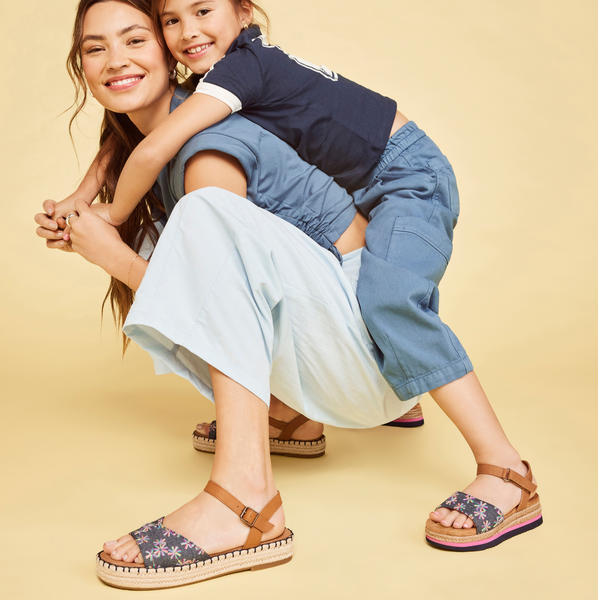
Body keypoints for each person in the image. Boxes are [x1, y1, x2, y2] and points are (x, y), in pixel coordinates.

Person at [37, 0, 541, 588]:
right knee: (172, 234)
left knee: (205, 219)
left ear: (169, 58)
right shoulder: (185, 118)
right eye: (95, 48)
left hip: (375, 357)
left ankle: (500, 469)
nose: (115, 61)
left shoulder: (208, 150)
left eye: (134, 40)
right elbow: (126, 147)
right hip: (347, 348)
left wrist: (109, 248)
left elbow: (210, 291)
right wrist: (86, 202)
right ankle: (291, 417)